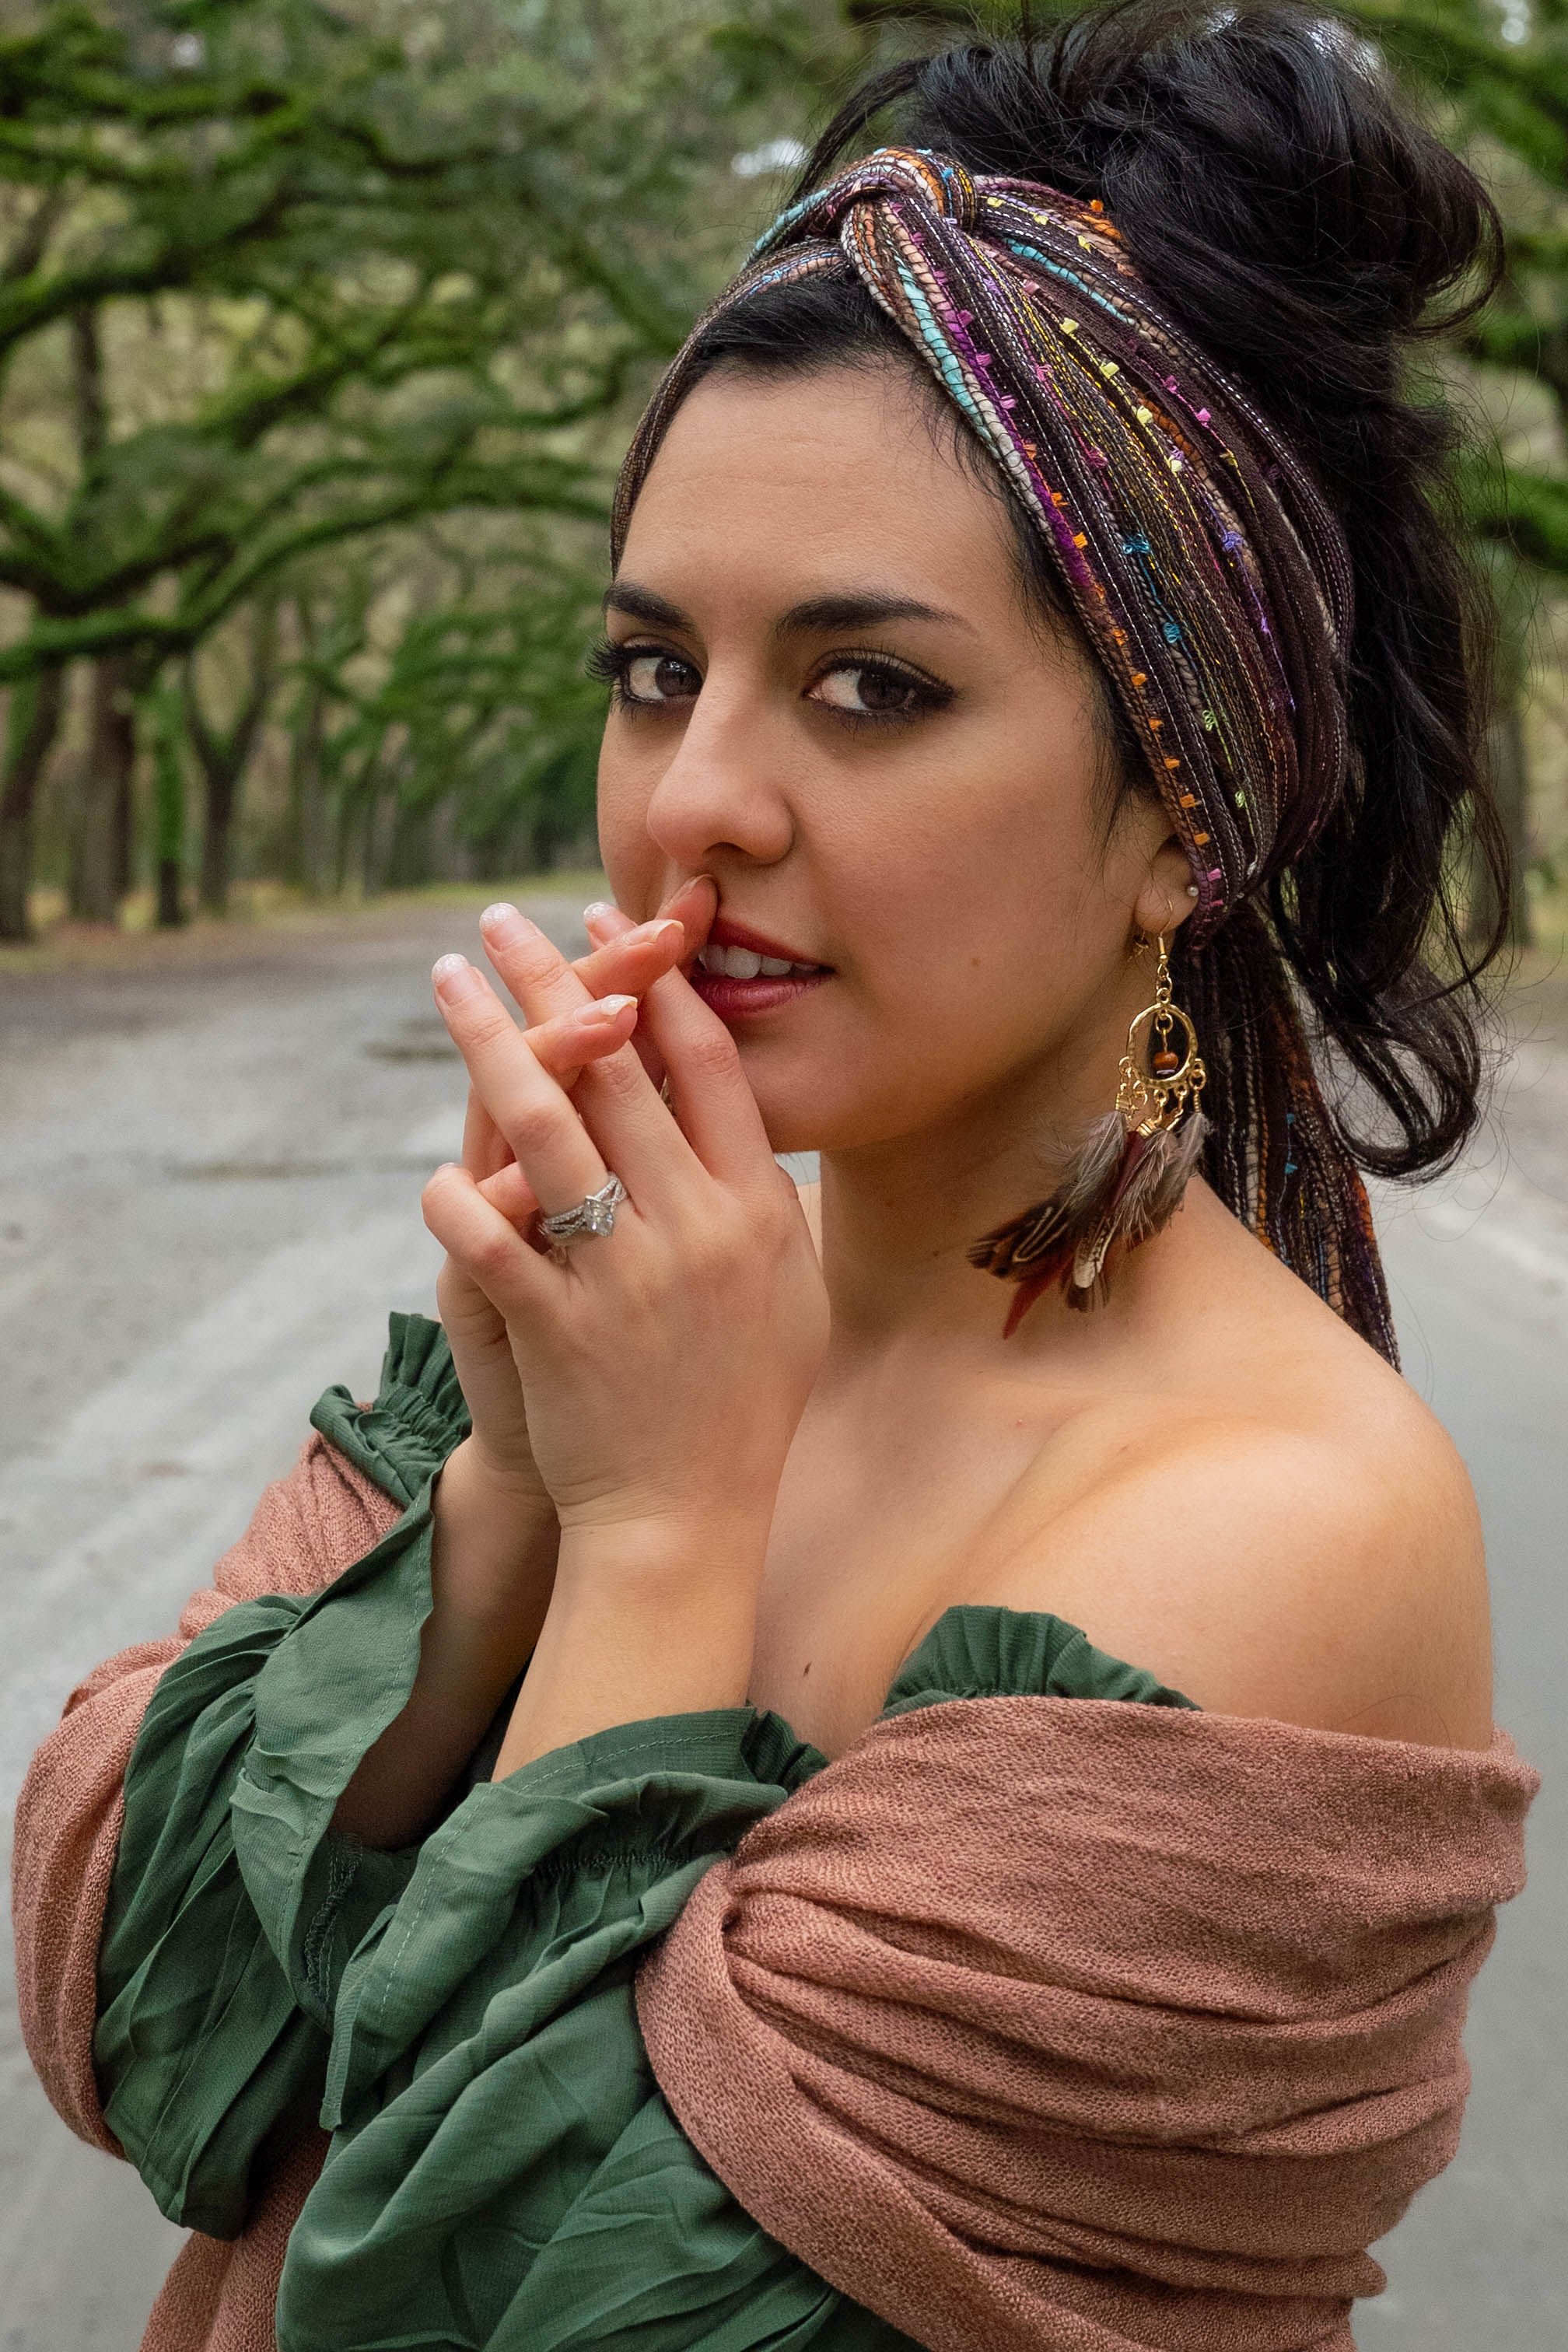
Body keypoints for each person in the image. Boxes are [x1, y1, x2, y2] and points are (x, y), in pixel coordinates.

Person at [12, 7, 1541, 2349]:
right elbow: (150, 2017)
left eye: (871, 690)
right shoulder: (665, 1323)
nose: (696, 800)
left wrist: (655, 1540)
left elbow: (509, 2299)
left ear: (1190, 815)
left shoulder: (1277, 1527)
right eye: (653, 667)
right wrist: (507, 1495)